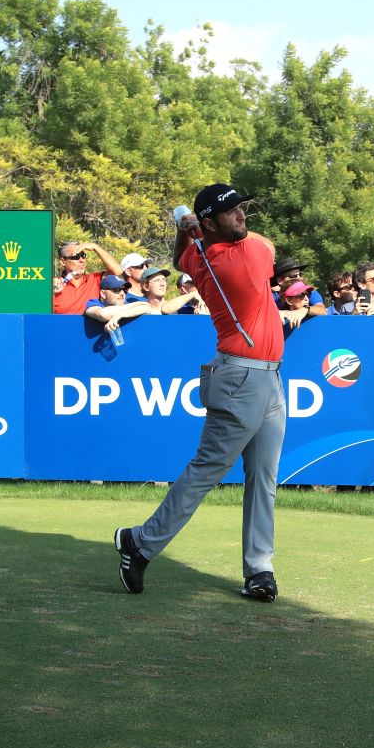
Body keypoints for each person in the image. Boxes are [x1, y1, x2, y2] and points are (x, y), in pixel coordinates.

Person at [115, 184, 286, 602]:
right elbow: (271, 246)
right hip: (242, 379)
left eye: (242, 208)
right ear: (210, 224)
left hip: (266, 378)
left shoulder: (204, 254)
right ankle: (140, 542)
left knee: (263, 478)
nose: (243, 216)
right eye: (233, 213)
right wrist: (188, 225)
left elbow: (179, 258)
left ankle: (259, 569)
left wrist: (183, 227)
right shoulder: (244, 259)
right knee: (207, 471)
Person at [53, 242, 123, 314]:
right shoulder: (55, 285)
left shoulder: (94, 280)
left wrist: (94, 246)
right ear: (63, 261)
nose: (82, 260)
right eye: (76, 257)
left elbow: (117, 271)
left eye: (83, 256)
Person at [83, 274, 154, 329]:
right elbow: (102, 314)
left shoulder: (125, 305)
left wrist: (120, 314)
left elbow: (147, 308)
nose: (122, 293)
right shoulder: (93, 303)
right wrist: (137, 304)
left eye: (125, 290)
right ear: (103, 294)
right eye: (117, 289)